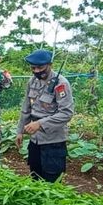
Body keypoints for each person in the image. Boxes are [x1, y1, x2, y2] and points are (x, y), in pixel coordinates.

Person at [15, 49, 74, 183]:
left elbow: (66, 113)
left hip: (53, 142)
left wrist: (40, 124)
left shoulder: (60, 84)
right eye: (33, 68)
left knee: (51, 181)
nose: (36, 71)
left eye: (40, 67)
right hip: (35, 140)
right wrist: (20, 131)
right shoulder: (32, 82)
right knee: (35, 177)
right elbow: (26, 108)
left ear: (50, 64)